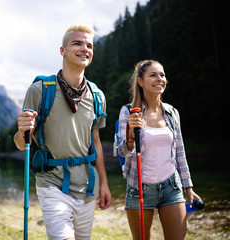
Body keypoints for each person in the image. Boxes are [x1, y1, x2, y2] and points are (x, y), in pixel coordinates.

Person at [13, 25, 111, 240]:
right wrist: (22, 131)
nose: (84, 48)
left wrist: (104, 183)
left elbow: (95, 141)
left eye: (89, 45)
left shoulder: (97, 95)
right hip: (52, 183)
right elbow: (22, 144)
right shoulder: (40, 90)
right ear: (62, 50)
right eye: (77, 43)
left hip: (87, 186)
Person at [117, 60, 201, 240]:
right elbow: (122, 151)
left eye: (162, 75)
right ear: (141, 81)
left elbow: (180, 153)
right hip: (139, 188)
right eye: (153, 75)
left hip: (171, 186)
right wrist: (131, 136)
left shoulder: (172, 112)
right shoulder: (129, 112)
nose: (159, 79)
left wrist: (189, 188)